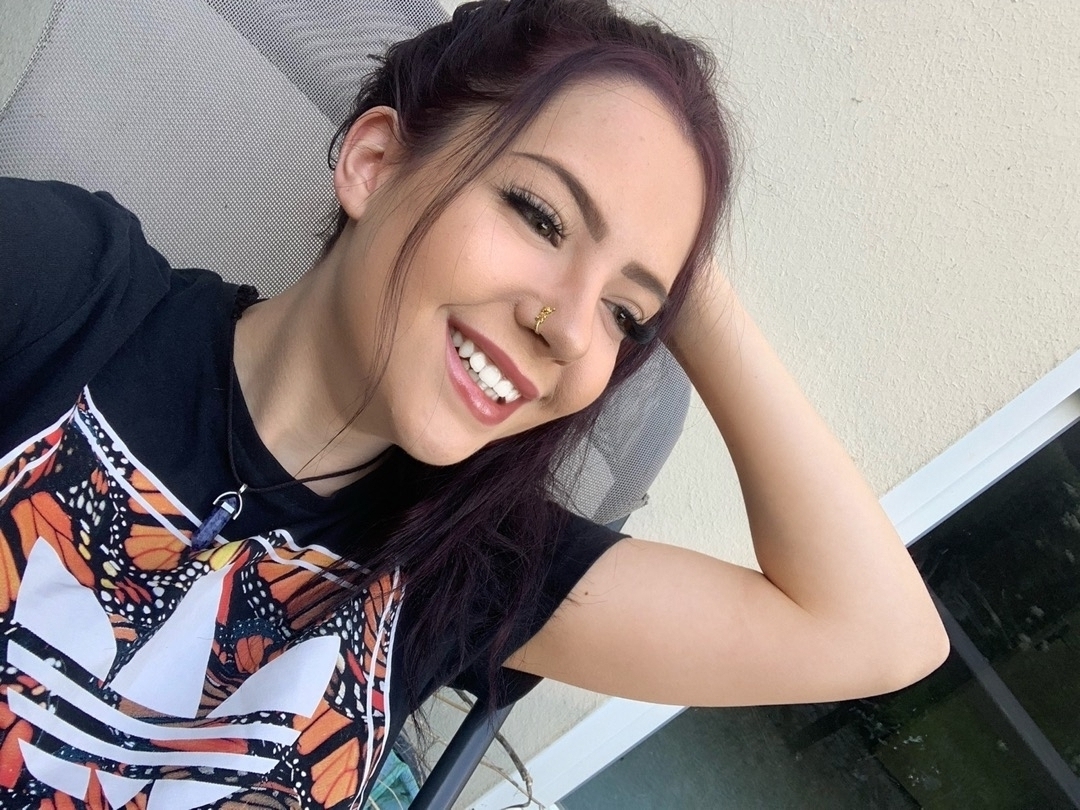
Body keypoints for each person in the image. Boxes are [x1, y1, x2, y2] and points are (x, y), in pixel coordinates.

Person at [0, 0, 949, 807]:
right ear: (375, 161)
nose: (569, 330)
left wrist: (689, 282)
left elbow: (874, 634)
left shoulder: (464, 569)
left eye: (626, 313)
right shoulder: (67, 290)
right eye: (540, 215)